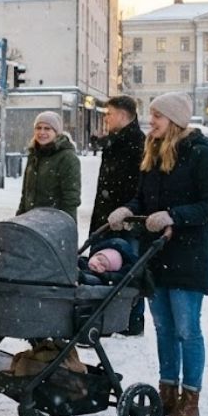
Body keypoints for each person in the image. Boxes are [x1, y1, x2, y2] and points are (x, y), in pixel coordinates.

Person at [107, 92, 208, 416]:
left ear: (174, 120)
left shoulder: (201, 155)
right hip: (156, 255)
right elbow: (144, 198)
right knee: (164, 329)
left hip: (188, 255)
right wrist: (128, 209)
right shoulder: (153, 154)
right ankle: (168, 391)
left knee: (187, 329)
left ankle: (191, 399)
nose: (151, 121)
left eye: (157, 116)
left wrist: (175, 216)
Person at [90, 96, 146, 334]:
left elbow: (139, 186)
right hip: (107, 214)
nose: (106, 118)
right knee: (104, 265)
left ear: (123, 116)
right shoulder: (117, 141)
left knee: (129, 268)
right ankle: (110, 317)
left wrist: (128, 212)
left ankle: (131, 321)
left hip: (126, 218)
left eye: (109, 113)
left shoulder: (136, 143)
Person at [16, 111, 81, 222]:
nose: (42, 132)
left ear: (57, 132)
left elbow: (71, 198)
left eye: (47, 128)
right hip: (30, 222)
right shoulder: (34, 156)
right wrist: (19, 218)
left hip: (54, 224)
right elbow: (26, 194)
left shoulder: (67, 157)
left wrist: (65, 224)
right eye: (38, 128)